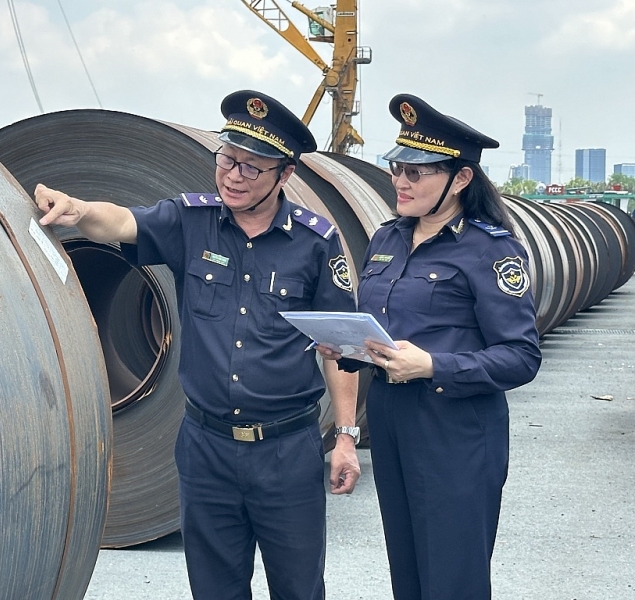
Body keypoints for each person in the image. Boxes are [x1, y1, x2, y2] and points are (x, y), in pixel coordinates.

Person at [34, 90, 361, 600]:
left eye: (252, 168)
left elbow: (339, 349)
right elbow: (120, 221)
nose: (233, 175)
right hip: (206, 448)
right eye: (227, 159)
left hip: (287, 452)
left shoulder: (315, 242)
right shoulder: (191, 221)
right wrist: (75, 208)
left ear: (285, 175)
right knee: (215, 588)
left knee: (298, 589)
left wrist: (345, 436)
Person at [318, 94, 542, 599]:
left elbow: (522, 356)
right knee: (409, 572)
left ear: (460, 179)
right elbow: (382, 332)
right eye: (398, 168)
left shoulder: (490, 250)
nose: (400, 181)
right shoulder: (387, 240)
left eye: (417, 173)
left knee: (452, 578)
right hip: (394, 426)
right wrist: (348, 347)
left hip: (457, 434)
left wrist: (434, 365)